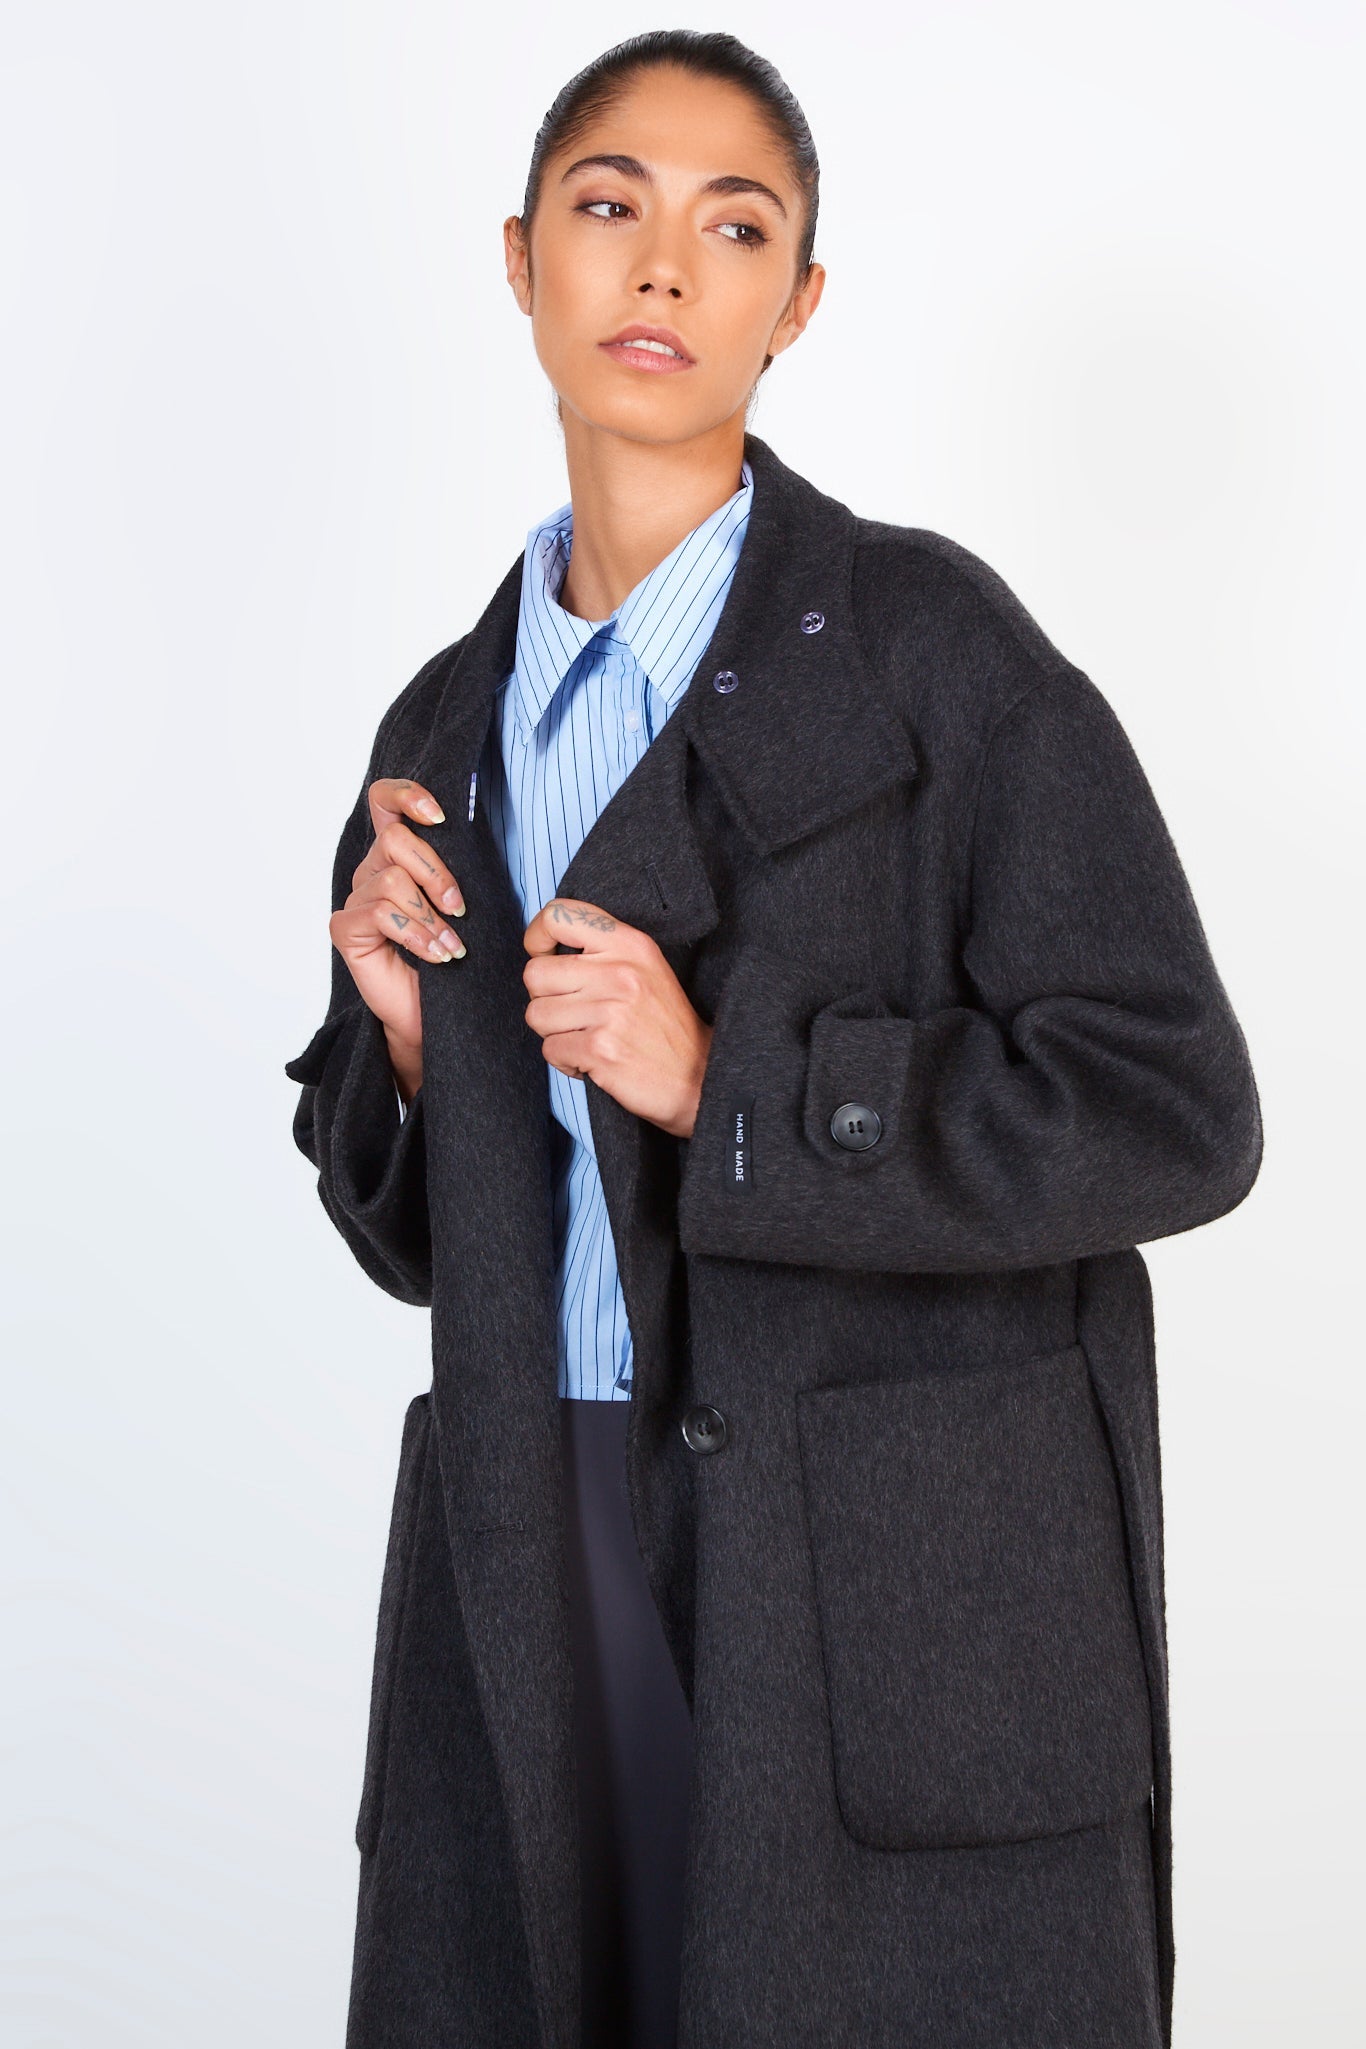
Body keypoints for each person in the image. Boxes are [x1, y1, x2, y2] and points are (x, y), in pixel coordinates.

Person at [284, 30, 1263, 2049]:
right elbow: (429, 1250)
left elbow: (1173, 1106)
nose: (662, 267)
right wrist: (411, 1059)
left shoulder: (931, 652)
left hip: (874, 1582)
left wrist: (727, 1080)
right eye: (607, 206)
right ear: (519, 259)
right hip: (527, 1524)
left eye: (733, 229)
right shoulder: (440, 724)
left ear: (794, 304)